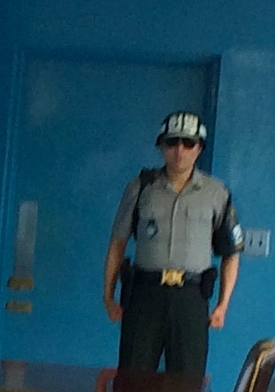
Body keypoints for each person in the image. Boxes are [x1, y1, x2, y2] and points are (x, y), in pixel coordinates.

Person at [100, 111, 243, 377]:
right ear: (161, 146)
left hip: (191, 298)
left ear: (199, 148)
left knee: (187, 382)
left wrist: (223, 304)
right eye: (172, 142)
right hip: (145, 295)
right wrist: (108, 296)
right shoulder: (140, 188)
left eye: (188, 143)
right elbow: (117, 244)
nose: (180, 150)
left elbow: (231, 253)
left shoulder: (217, 193)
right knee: (132, 378)